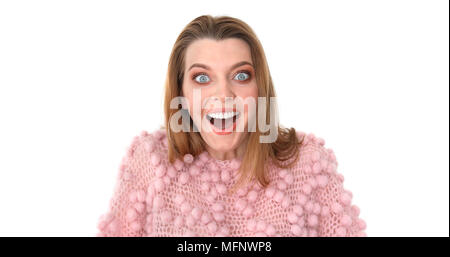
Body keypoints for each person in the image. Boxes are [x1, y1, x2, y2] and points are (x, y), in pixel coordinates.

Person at [96, 15, 367, 237]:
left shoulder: (306, 163)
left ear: (259, 86)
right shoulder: (151, 160)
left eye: (240, 75)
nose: (223, 94)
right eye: (202, 78)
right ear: (181, 92)